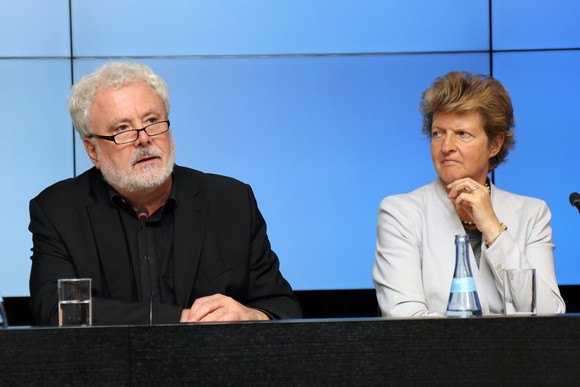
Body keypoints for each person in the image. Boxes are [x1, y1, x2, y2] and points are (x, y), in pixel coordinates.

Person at [29, 62, 302, 325]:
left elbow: (284, 308)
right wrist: (178, 319)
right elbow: (60, 312)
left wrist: (250, 316)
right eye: (122, 129)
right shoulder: (61, 213)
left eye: (152, 120)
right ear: (92, 151)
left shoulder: (230, 202)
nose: (144, 138)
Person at [373, 71, 565, 317]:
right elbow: (405, 320)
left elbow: (548, 314)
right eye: (437, 133)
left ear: (494, 145)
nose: (446, 146)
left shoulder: (532, 213)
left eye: (463, 134)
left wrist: (494, 230)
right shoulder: (400, 213)